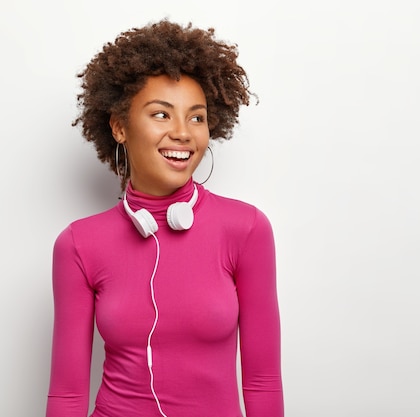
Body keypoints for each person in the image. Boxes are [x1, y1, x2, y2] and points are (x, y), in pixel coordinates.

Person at [46, 20, 283, 417]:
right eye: (161, 114)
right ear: (120, 127)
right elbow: (67, 395)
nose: (183, 133)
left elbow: (262, 381)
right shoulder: (78, 244)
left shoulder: (247, 230)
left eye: (196, 117)